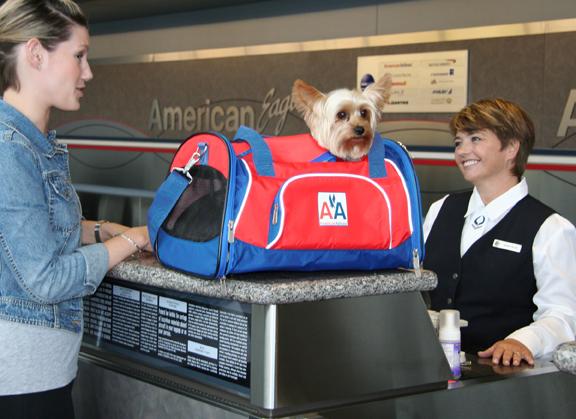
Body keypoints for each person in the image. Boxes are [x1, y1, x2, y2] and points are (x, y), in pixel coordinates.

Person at [0, 1, 152, 417]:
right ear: (35, 54)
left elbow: (39, 227)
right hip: (20, 383)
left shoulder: (30, 142)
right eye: (79, 56)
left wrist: (103, 229)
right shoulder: (9, 149)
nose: (88, 73)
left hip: (38, 375)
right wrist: (131, 240)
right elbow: (45, 279)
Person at [423, 98, 576, 367]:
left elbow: (563, 314)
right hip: (429, 366)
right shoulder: (441, 209)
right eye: (459, 142)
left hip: (500, 379)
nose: (463, 151)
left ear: (512, 148)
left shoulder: (550, 228)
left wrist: (522, 341)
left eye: (476, 139)